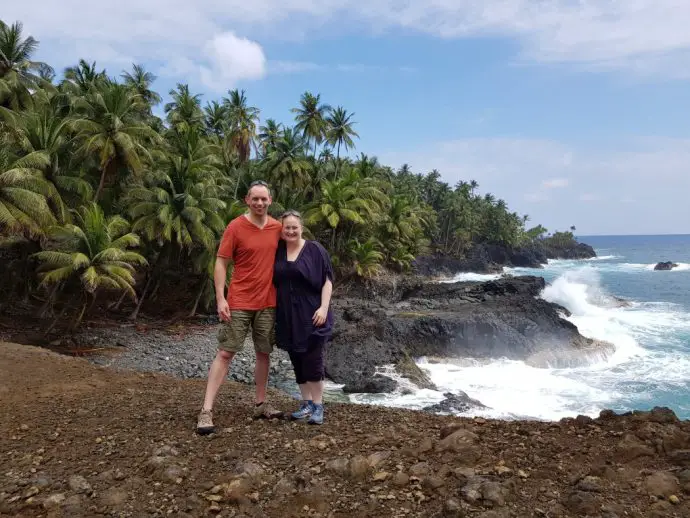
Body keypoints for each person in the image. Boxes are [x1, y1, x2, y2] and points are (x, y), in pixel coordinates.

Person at [196, 180, 284, 435]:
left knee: (263, 353)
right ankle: (206, 410)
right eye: (255, 198)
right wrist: (221, 298)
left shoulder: (278, 228)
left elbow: (295, 252)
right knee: (225, 353)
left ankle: (260, 403)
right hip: (240, 301)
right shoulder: (235, 226)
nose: (259, 203)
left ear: (270, 200)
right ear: (247, 200)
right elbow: (221, 263)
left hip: (268, 302)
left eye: (263, 199)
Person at [273, 210, 334, 425]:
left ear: (301, 228)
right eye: (286, 227)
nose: (290, 231)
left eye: (294, 227)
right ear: (282, 230)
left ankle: (318, 405)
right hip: (287, 315)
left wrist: (324, 308)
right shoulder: (278, 250)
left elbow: (327, 280)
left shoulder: (315, 250)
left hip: (312, 313)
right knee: (297, 360)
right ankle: (306, 403)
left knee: (313, 359)